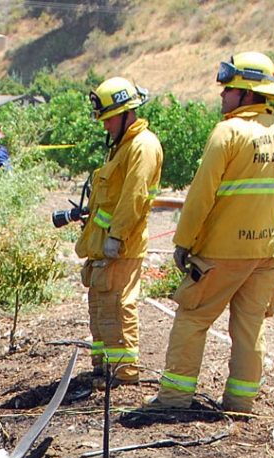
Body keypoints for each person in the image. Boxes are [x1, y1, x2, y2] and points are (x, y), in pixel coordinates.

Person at [148, 52, 274, 414]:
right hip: (267, 254)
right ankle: (241, 404)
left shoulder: (228, 132)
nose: (222, 95)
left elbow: (200, 194)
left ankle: (174, 400)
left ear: (246, 93)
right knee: (249, 328)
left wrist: (184, 242)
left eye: (229, 88)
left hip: (221, 253)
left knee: (192, 320)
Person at [75, 77, 163, 385]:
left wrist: (117, 236)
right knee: (101, 310)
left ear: (127, 113)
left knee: (118, 307)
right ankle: (103, 368)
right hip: (103, 247)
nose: (105, 126)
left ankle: (123, 374)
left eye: (109, 118)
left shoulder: (143, 146)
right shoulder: (121, 147)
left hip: (121, 246)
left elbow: (134, 197)